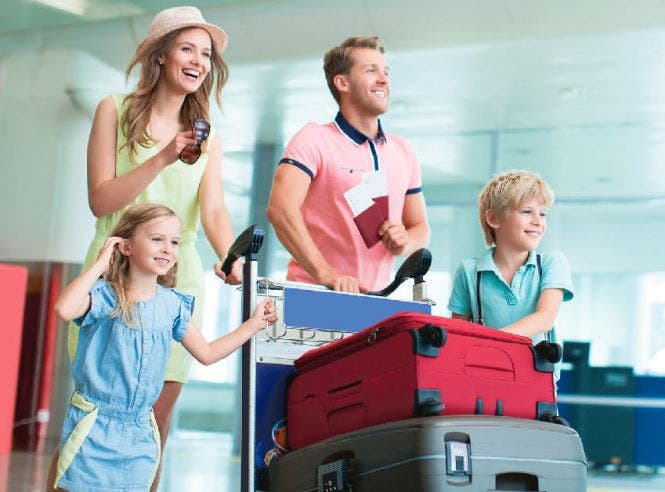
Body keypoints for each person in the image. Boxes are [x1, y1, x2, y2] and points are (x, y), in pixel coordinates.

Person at [58, 6, 240, 490]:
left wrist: (230, 253)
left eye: (206, 53)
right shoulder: (113, 111)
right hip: (114, 274)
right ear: (161, 54)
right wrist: (163, 155)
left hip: (176, 279)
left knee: (153, 428)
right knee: (96, 418)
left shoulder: (209, 137)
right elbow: (102, 200)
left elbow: (215, 210)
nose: (199, 60)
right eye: (188, 48)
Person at [51, 203, 276, 492]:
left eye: (174, 242)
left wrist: (253, 324)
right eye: (157, 239)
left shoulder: (173, 305)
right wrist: (99, 264)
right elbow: (64, 309)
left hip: (141, 434)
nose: (167, 248)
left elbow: (206, 353)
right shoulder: (105, 296)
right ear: (127, 246)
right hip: (93, 429)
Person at [267, 35, 430, 293]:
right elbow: (280, 210)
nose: (384, 79)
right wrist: (325, 274)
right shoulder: (314, 138)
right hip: (316, 294)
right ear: (342, 82)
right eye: (370, 70)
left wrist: (404, 242)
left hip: (377, 301)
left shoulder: (403, 151)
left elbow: (420, 227)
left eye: (385, 71)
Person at [448, 171, 574, 345]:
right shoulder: (469, 271)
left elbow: (544, 318)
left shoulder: (551, 263)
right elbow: (457, 333)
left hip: (534, 371)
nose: (538, 221)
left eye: (543, 214)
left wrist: (491, 341)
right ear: (493, 218)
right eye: (527, 211)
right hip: (486, 369)